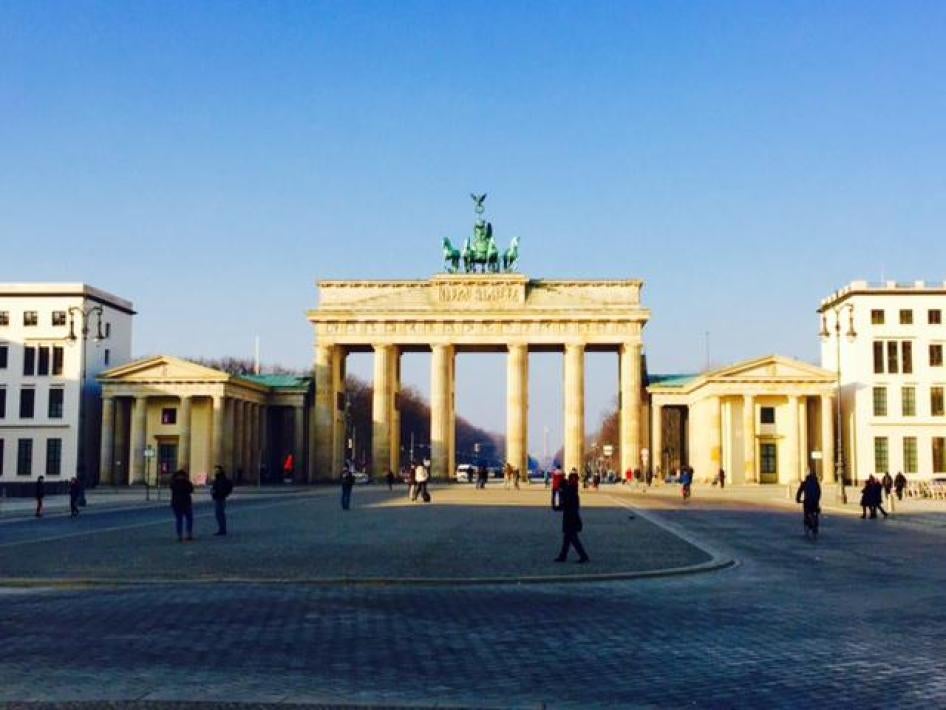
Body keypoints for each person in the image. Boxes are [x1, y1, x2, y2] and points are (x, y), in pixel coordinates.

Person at [554, 471, 589, 563]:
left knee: (572, 538)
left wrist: (559, 494)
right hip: (572, 516)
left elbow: (565, 502)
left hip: (570, 517)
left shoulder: (570, 489)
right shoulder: (573, 489)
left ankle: (583, 556)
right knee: (568, 538)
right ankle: (563, 555)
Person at [169, 469, 195, 542]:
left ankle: (180, 535)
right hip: (186, 503)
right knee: (189, 519)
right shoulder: (186, 482)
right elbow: (191, 490)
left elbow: (171, 488)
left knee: (179, 520)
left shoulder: (173, 483)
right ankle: (189, 534)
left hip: (176, 503)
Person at [795, 470, 822, 538]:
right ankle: (815, 526)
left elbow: (799, 492)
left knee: (806, 513)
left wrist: (798, 499)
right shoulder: (816, 483)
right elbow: (819, 492)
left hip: (807, 502)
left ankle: (808, 523)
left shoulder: (805, 483)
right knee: (815, 513)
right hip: (815, 502)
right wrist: (817, 500)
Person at [211, 466, 233, 535]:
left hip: (220, 498)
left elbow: (224, 487)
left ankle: (222, 529)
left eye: (216, 470)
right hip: (218, 497)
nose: (215, 471)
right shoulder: (218, 479)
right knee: (219, 514)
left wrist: (221, 493)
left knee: (219, 514)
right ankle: (222, 529)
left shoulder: (221, 479)